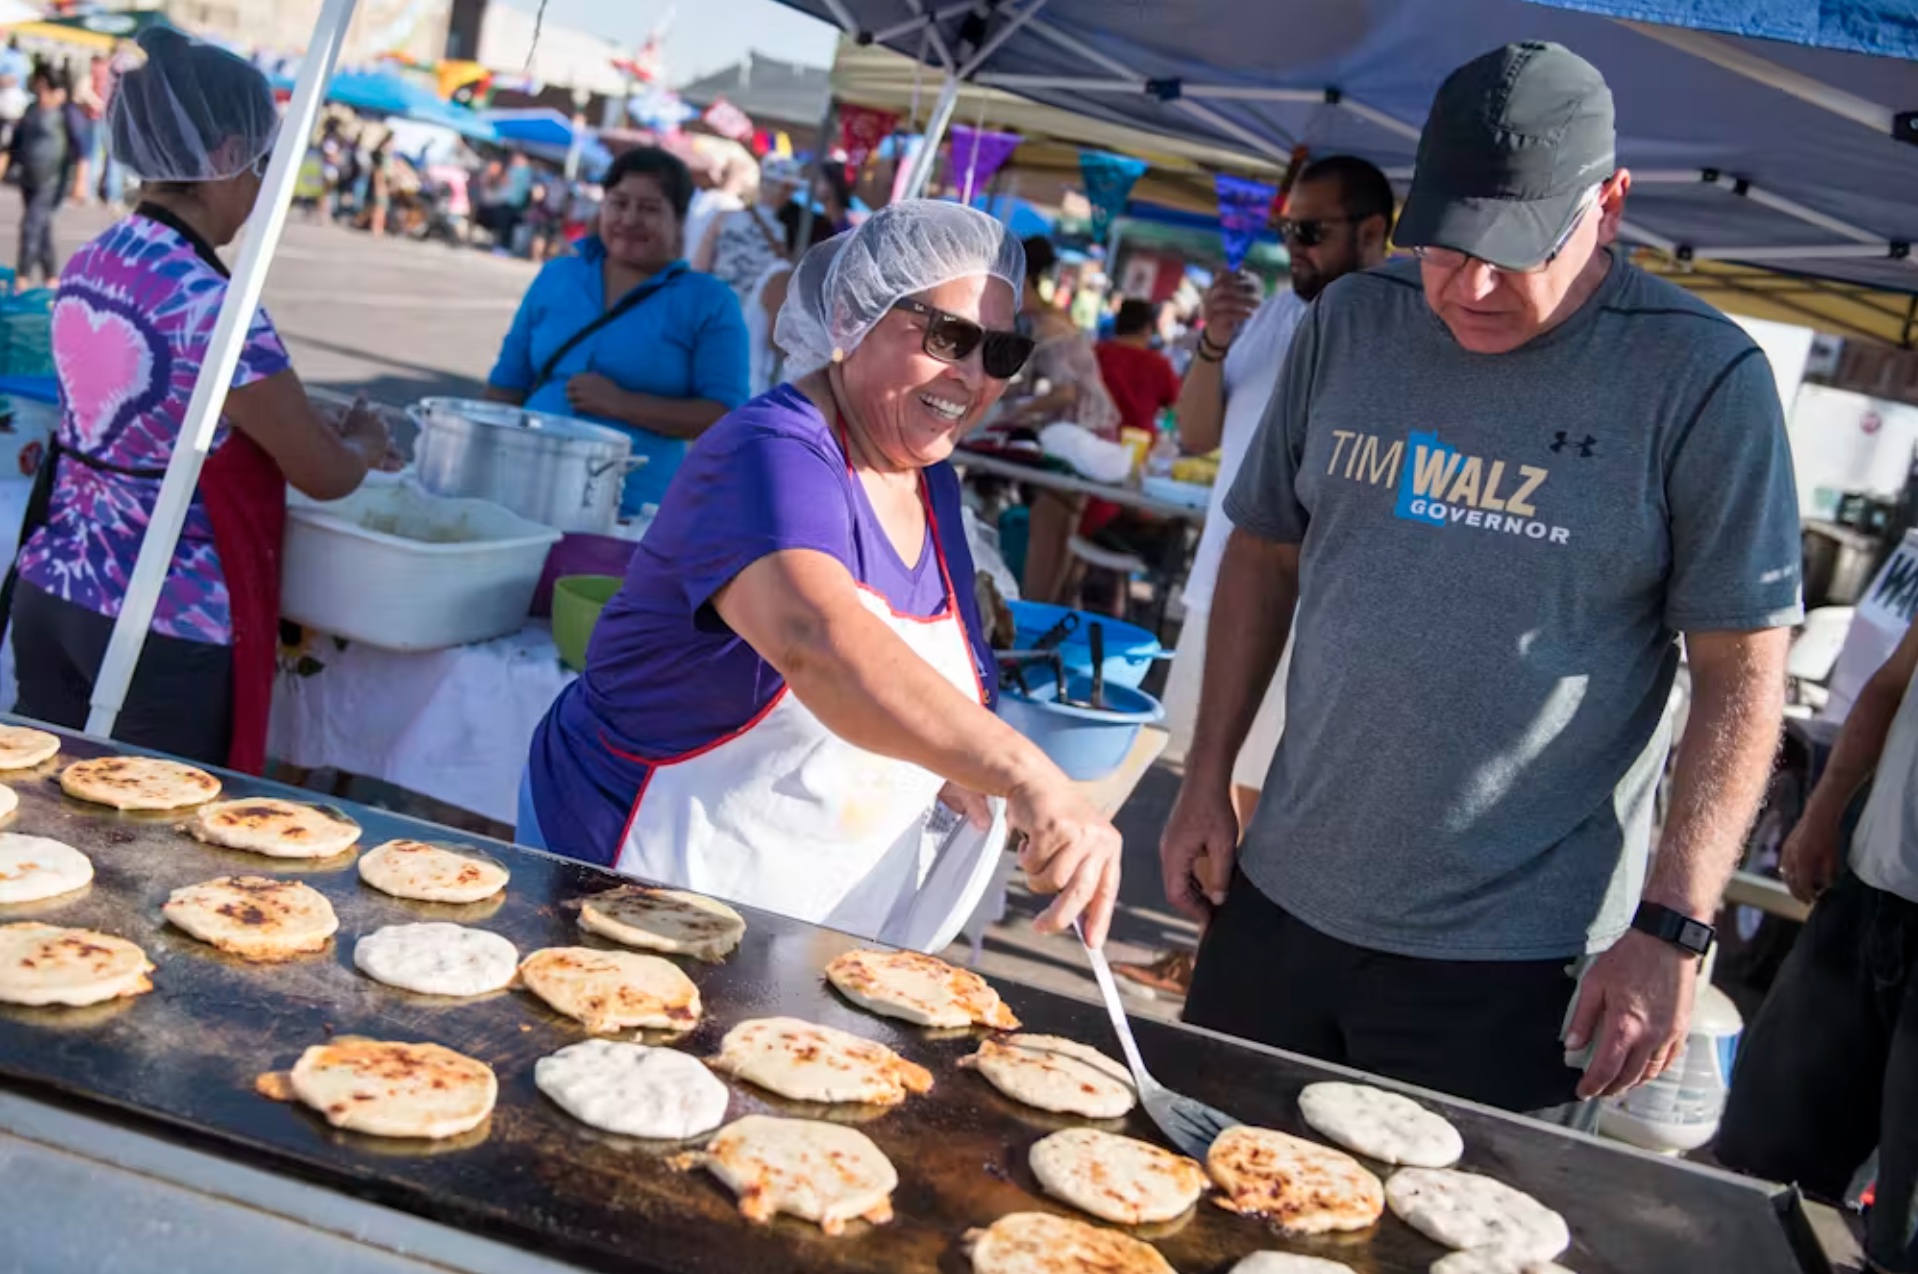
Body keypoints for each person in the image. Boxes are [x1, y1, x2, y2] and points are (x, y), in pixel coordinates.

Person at [1160, 42, 1801, 1123]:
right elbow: (1266, 548)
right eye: (1448, 248)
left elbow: (1742, 670)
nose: (1473, 287)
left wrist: (1676, 922)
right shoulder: (1355, 319)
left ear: (1610, 205)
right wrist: (1203, 772)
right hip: (1279, 903)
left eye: (1514, 252)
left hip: (1516, 963)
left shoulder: (1701, 379)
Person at [520, 201, 1123, 945]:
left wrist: (953, 761)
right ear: (851, 316)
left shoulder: (929, 481)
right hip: (640, 881)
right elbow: (820, 644)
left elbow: (917, 679)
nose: (971, 375)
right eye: (948, 335)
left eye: (999, 352)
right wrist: (1024, 771)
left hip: (802, 921)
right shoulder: (769, 452)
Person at [2, 27, 394, 769]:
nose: (260, 187)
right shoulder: (213, 304)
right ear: (220, 159)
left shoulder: (92, 259)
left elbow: (162, 417)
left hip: (53, 585)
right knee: (151, 851)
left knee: (37, 824)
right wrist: (367, 442)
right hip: (160, 614)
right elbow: (323, 472)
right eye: (258, 163)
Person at [1115, 156, 1397, 997]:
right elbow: (1197, 435)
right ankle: (1211, 956)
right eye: (1286, 232)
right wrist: (1211, 342)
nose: (1293, 249)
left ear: (1375, 234)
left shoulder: (1390, 331)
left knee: (1273, 798)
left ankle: (1231, 969)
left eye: (1310, 232)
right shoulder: (1277, 312)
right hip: (1222, 587)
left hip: (1310, 607)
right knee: (1226, 786)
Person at [1716, 620, 1918, 1274]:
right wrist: (1824, 807)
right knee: (1757, 1165)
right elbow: (1891, 684)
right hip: (1867, 899)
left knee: (1903, 1239)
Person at [485, 146, 749, 513]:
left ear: (679, 220)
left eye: (650, 208)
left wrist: (622, 404)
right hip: (518, 486)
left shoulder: (709, 301)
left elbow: (724, 414)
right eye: (618, 203)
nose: (629, 218)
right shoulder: (558, 275)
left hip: (628, 508)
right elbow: (506, 384)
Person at [1004, 235, 1120, 604]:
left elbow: (1064, 393)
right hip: (1093, 434)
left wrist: (1013, 414)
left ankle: (1032, 618)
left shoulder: (1046, 325)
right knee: (1060, 534)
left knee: (1047, 533)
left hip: (1077, 438)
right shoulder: (1054, 319)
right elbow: (1032, 383)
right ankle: (1044, 613)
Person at [0, 63, 87, 288]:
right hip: (28, 177)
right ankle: (51, 277)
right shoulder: (31, 108)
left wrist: (80, 182)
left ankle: (23, 277)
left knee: (31, 226)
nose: (43, 94)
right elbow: (14, 143)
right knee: (42, 227)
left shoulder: (67, 112)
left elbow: (81, 150)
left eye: (47, 88)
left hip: (51, 180)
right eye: (40, 88)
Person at [696, 153, 802, 302]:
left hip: (714, 305)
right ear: (786, 189)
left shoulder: (725, 217)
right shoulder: (784, 233)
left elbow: (699, 266)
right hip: (751, 318)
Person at [1093, 300, 1181, 438]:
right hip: (1138, 442)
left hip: (1092, 434)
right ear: (1147, 328)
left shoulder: (1096, 352)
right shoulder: (1159, 364)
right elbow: (1175, 405)